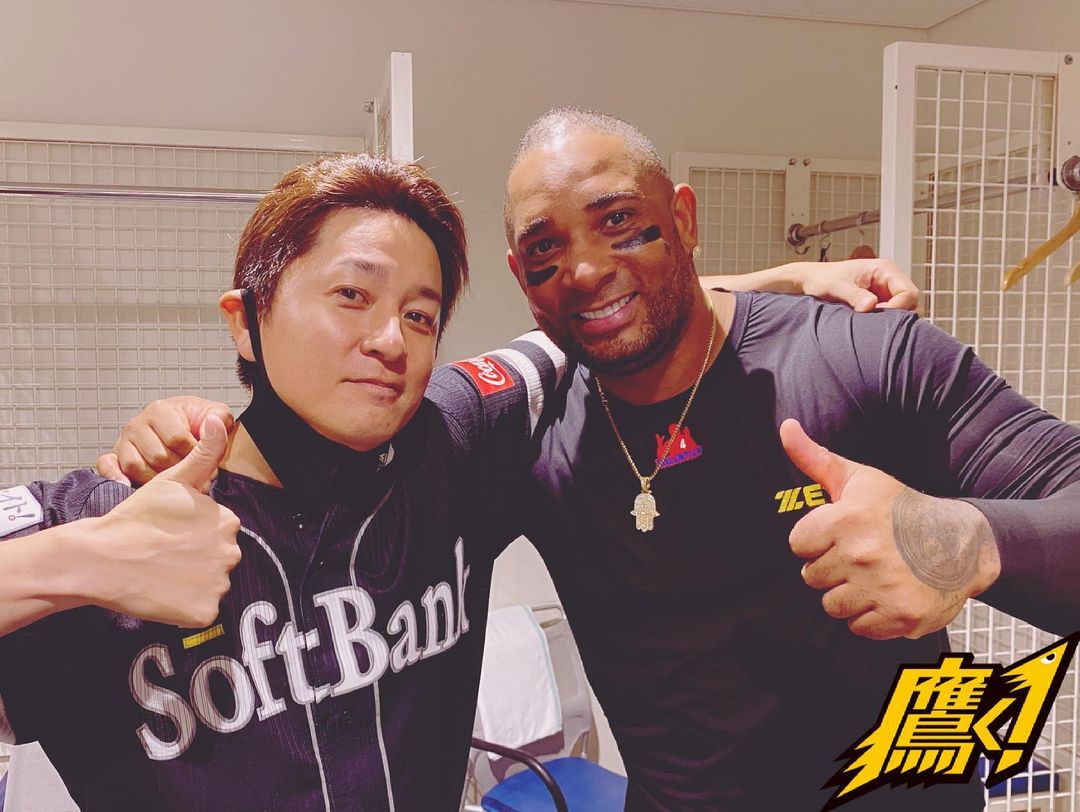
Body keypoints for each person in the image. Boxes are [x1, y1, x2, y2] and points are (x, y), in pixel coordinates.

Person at [0, 151, 885, 811]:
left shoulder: (455, 438)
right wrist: (79, 562)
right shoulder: (106, 519)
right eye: (352, 296)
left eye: (420, 315)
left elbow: (605, 316)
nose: (391, 341)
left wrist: (786, 279)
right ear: (246, 320)